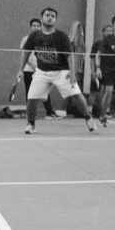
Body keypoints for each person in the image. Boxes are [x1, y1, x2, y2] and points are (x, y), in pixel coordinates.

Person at [16, 7, 95, 135]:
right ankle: (31, 124)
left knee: (76, 95)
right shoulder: (34, 36)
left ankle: (88, 117)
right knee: (31, 98)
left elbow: (70, 55)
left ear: (55, 20)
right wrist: (20, 70)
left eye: (53, 16)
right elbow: (26, 52)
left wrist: (72, 73)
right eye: (47, 15)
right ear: (42, 18)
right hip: (42, 72)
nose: (50, 18)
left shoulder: (61, 36)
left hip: (61, 72)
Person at [21, 19, 59, 118]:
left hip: (41, 70)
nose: (36, 27)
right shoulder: (25, 39)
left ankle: (49, 112)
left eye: (38, 26)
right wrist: (35, 66)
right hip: (29, 70)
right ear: (30, 27)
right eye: (34, 26)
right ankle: (30, 114)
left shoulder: (44, 39)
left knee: (44, 90)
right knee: (30, 92)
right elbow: (26, 55)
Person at [88, 24, 113, 118]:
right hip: (98, 72)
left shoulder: (114, 45)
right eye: (107, 30)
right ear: (103, 32)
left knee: (109, 92)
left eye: (111, 31)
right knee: (93, 91)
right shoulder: (97, 44)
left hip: (110, 72)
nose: (109, 32)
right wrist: (93, 72)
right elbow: (92, 59)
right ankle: (89, 111)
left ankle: (106, 111)